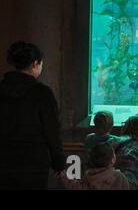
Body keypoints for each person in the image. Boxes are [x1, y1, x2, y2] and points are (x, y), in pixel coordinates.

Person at [0, 41, 66, 189]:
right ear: (35, 63)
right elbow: (52, 132)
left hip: (3, 163)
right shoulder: (42, 93)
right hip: (33, 166)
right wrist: (59, 163)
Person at [60, 142, 129, 190]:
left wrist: (62, 173)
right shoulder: (120, 178)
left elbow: (74, 186)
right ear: (113, 160)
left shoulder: (88, 179)